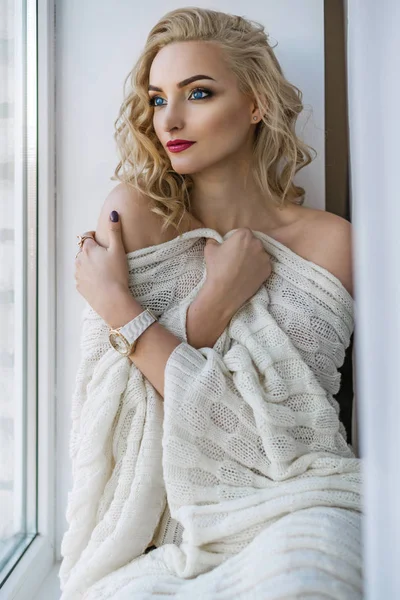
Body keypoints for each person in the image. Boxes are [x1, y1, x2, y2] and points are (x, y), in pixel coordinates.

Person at [66, 7, 361, 599]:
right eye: (156, 99)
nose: (169, 118)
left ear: (255, 104)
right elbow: (127, 413)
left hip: (296, 503)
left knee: (305, 583)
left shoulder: (330, 242)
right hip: (166, 526)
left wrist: (124, 310)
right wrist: (214, 303)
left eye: (197, 93)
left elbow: (281, 432)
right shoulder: (137, 216)